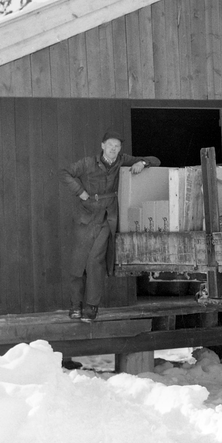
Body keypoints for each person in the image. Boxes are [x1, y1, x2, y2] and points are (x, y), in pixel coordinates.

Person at [60, 129, 160, 321]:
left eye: (117, 146)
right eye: (110, 145)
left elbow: (155, 159)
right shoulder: (88, 163)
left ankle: (91, 307)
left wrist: (143, 162)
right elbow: (64, 173)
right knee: (78, 262)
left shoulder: (122, 160)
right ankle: (75, 305)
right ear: (103, 146)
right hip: (86, 216)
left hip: (107, 218)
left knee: (95, 261)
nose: (113, 149)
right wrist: (80, 191)